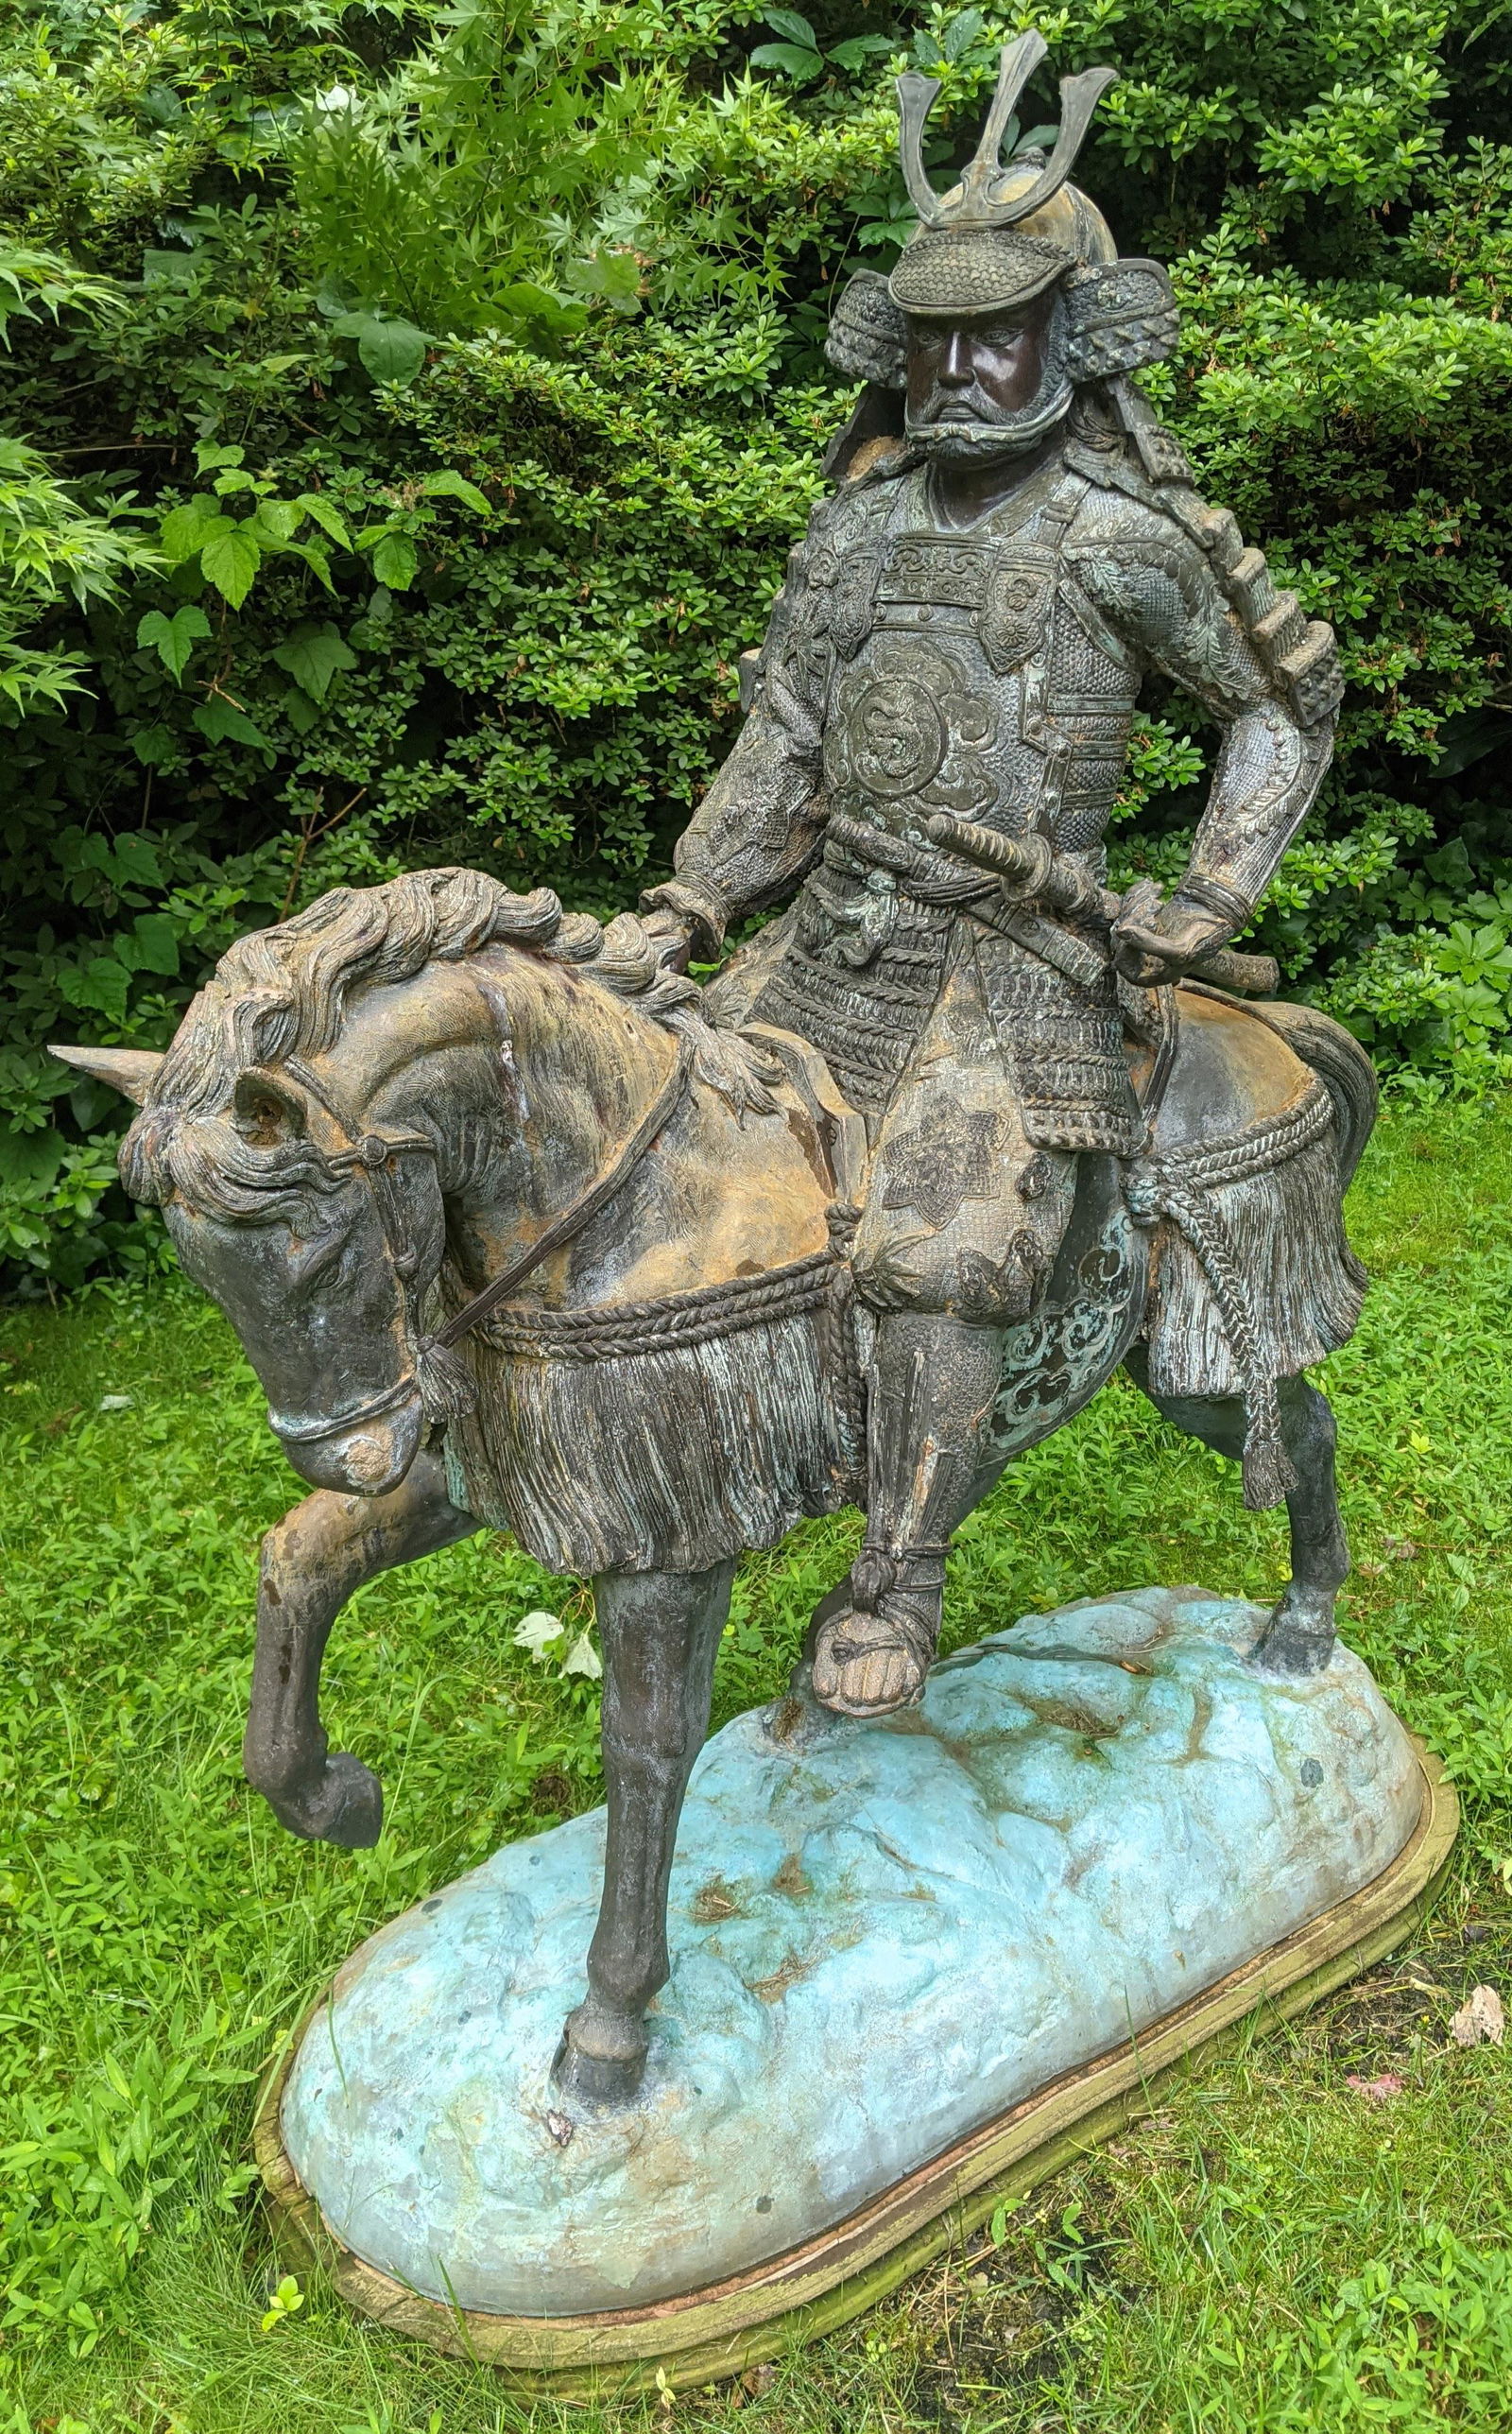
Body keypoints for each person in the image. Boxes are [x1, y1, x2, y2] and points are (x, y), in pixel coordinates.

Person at [642, 32, 1344, 1721]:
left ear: (1066, 335)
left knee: (952, 1234)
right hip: (830, 943)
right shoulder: (859, 528)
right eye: (935, 335)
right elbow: (792, 727)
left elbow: (1279, 702)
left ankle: (900, 1570)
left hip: (1016, 965)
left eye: (998, 331)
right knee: (664, 1150)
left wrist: (1204, 904)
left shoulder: (1119, 535)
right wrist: (694, 899)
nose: (960, 368)